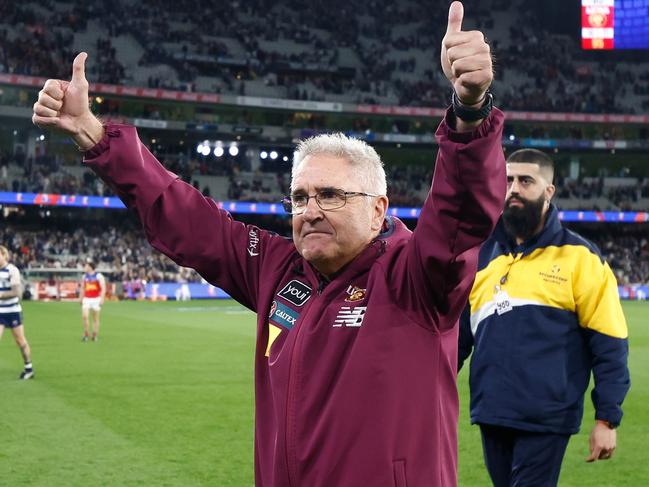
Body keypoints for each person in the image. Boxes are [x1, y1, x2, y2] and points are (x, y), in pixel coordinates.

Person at [33, 3, 506, 485]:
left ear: (379, 209)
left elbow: (460, 213)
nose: (310, 210)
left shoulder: (417, 277)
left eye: (331, 195)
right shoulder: (278, 271)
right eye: (299, 197)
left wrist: (470, 114)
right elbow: (186, 217)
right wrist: (94, 134)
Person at [458, 148, 630, 487]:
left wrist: (606, 420)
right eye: (507, 180)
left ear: (548, 191)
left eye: (526, 181)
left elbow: (609, 342)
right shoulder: (484, 256)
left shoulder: (581, 258)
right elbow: (457, 339)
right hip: (492, 411)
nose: (514, 189)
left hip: (547, 416)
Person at [0, 245, 34, 380]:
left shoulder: (12, 270)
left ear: (4, 255)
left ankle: (29, 368)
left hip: (13, 310)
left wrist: (1, 295)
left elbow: (17, 293)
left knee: (20, 341)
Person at [80, 259, 106, 342]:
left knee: (95, 318)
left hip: (96, 299)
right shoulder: (84, 276)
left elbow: (103, 288)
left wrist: (102, 298)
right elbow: (82, 288)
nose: (84, 267)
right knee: (85, 316)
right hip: (87, 298)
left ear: (90, 267)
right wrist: (81, 298)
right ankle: (86, 333)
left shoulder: (99, 276)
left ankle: (94, 334)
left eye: (86, 266)